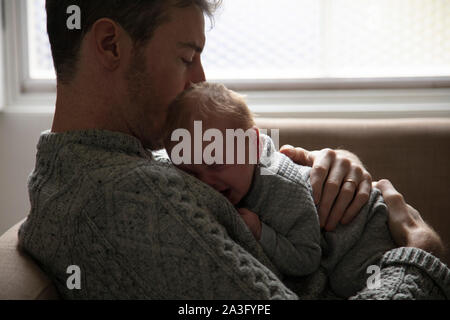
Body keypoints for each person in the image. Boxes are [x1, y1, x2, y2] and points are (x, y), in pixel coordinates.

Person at [18, 0, 448, 299]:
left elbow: (245, 159)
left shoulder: (108, 164)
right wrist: (421, 255)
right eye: (187, 57)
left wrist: (323, 165)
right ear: (111, 44)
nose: (199, 79)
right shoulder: (124, 200)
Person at [162, 81, 447, 298]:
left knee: (349, 280)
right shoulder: (212, 174)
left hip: (364, 238)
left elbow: (306, 258)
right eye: (189, 172)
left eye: (217, 162)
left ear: (250, 145)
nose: (205, 183)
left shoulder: (281, 186)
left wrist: (261, 232)